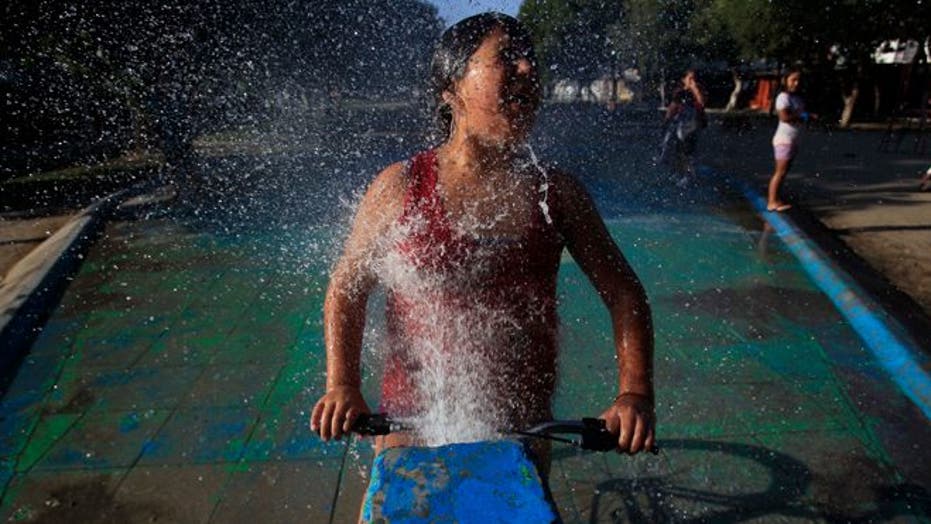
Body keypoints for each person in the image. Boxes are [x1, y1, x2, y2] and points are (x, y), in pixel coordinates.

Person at [310, 13, 656, 477]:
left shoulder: (555, 193)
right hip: (411, 423)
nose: (528, 70)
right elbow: (347, 287)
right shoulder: (401, 187)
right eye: (507, 59)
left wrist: (634, 394)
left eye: (530, 61)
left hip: (523, 428)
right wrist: (343, 384)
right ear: (452, 88)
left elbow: (623, 292)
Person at [767, 68, 811, 211]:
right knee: (780, 172)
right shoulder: (783, 97)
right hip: (784, 140)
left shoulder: (797, 98)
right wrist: (804, 117)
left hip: (793, 140)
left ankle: (777, 198)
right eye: (793, 80)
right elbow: (784, 117)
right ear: (785, 81)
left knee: (784, 172)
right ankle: (772, 201)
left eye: (799, 80)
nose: (796, 83)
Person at [660, 69, 707, 186]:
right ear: (684, 80)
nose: (692, 81)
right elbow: (673, 107)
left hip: (694, 125)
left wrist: (695, 88)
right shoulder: (680, 93)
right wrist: (666, 121)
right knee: (677, 150)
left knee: (690, 151)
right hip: (681, 125)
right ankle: (679, 173)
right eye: (690, 78)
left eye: (694, 78)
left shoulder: (699, 92)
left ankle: (689, 176)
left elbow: (702, 103)